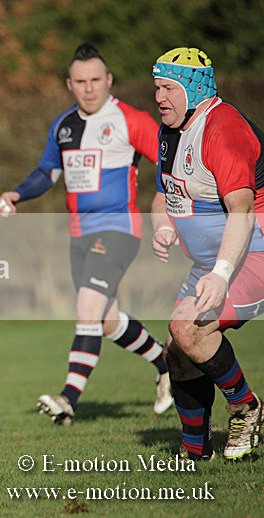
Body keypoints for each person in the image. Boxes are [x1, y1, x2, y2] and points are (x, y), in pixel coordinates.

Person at [0, 43, 172, 425]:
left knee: (87, 310)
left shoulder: (130, 119)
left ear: (109, 80)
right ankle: (166, 363)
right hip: (79, 235)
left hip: (118, 229)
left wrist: (168, 205)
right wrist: (17, 193)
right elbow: (48, 173)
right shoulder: (63, 127)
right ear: (69, 85)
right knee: (106, 320)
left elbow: (169, 157)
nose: (89, 88)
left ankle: (68, 398)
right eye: (80, 81)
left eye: (96, 80)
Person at [151, 47, 264, 460]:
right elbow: (163, 195)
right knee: (179, 354)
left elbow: (243, 211)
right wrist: (162, 226)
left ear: (193, 89)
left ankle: (247, 406)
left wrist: (219, 273)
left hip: (252, 251)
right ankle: (195, 454)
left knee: (189, 327)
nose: (159, 97)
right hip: (213, 259)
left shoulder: (223, 129)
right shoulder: (172, 130)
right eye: (156, 87)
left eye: (167, 88)